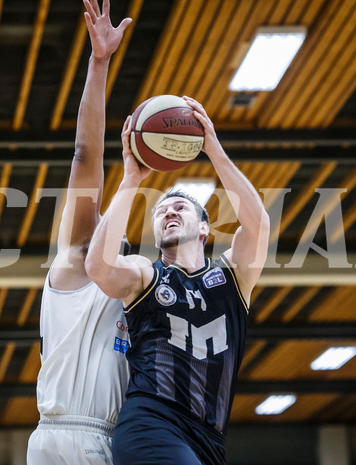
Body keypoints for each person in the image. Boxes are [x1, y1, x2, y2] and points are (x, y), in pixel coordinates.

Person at [85, 96, 270, 465]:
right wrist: (131, 179)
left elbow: (259, 224)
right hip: (152, 422)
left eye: (180, 207)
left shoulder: (232, 277)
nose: (168, 210)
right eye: (160, 211)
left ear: (204, 228)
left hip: (210, 439)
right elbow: (99, 267)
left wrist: (213, 148)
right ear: (155, 236)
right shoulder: (147, 275)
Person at [26, 1, 132, 464]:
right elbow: (85, 157)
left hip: (106, 439)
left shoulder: (134, 295)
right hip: (69, 435)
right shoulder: (73, 264)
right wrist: (99, 63)